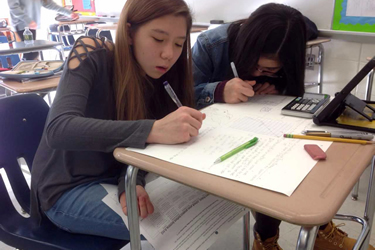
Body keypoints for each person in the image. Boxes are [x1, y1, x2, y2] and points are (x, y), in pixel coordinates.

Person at [192, 3, 375, 250]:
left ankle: (318, 229)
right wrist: (220, 90)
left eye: (270, 69)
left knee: (296, 154)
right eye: (255, 65)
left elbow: (306, 25)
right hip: (214, 134)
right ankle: (266, 240)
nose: (260, 72)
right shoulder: (211, 44)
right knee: (263, 166)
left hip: (263, 123)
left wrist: (277, 88)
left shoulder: (291, 34)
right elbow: (183, 95)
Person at [30, 0, 205, 243]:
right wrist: (153, 130)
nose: (169, 54)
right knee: (172, 231)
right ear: (130, 32)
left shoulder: (160, 77)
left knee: (198, 210)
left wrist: (130, 182)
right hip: (66, 189)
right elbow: (59, 128)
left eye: (179, 44)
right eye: (158, 39)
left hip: (117, 174)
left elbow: (141, 145)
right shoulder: (91, 51)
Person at [7, 0, 79, 60]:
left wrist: (69, 13)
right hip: (21, 25)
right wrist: (28, 20)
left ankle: (29, 73)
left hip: (31, 25)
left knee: (31, 52)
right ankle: (26, 73)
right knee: (31, 53)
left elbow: (48, 3)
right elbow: (13, 7)